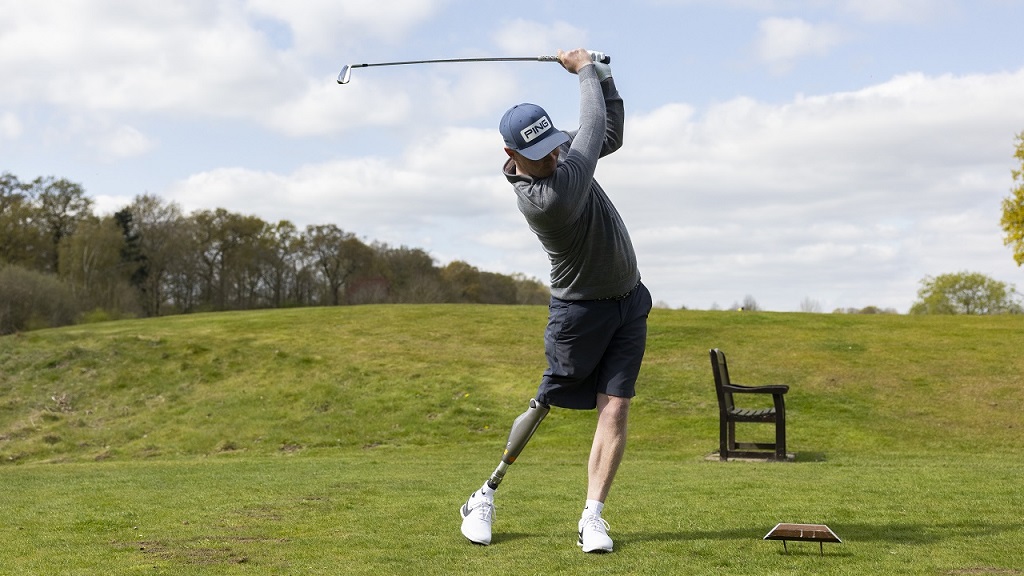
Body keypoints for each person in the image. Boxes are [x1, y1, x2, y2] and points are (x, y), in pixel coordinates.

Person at [459, 48, 652, 553]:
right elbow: (589, 131)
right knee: (545, 403)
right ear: (511, 156)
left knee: (616, 408)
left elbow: (610, 133)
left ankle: (593, 517)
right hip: (578, 313)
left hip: (629, 302)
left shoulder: (557, 158)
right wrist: (586, 69)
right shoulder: (550, 195)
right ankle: (484, 493)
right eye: (540, 153)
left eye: (553, 145)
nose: (553, 155)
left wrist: (607, 78)